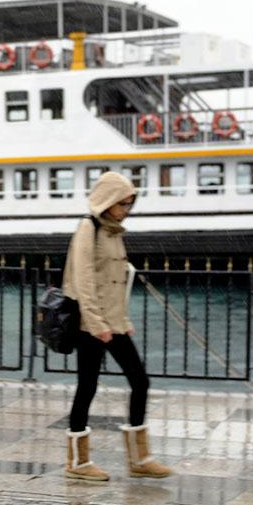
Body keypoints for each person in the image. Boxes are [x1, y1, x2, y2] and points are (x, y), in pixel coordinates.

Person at [61, 171, 172, 482]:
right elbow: (83, 280)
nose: (127, 209)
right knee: (88, 386)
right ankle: (77, 462)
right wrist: (96, 323)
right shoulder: (89, 228)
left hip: (113, 323)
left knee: (140, 381)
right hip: (91, 325)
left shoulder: (113, 231)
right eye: (123, 204)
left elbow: (115, 283)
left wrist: (123, 321)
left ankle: (140, 458)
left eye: (130, 204)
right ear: (108, 201)